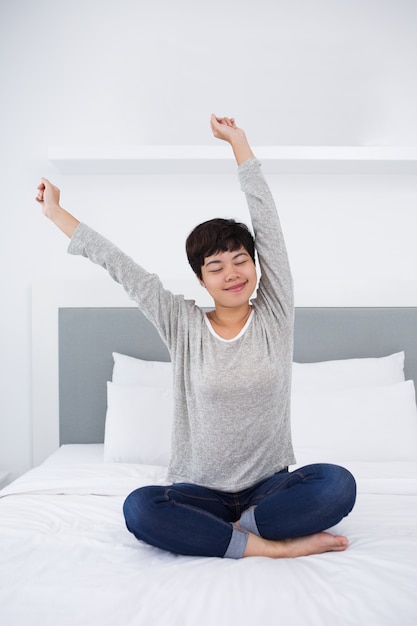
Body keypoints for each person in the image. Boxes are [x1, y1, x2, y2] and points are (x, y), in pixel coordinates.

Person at [36, 114, 356, 559]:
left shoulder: (275, 316)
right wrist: (56, 214)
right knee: (140, 508)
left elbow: (268, 222)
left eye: (240, 260)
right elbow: (121, 267)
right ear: (201, 280)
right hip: (199, 493)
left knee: (338, 485)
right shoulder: (182, 323)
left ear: (256, 265)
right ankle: (269, 548)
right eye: (216, 266)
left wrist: (239, 144)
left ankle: (231, 533)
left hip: (270, 488)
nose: (232, 273)